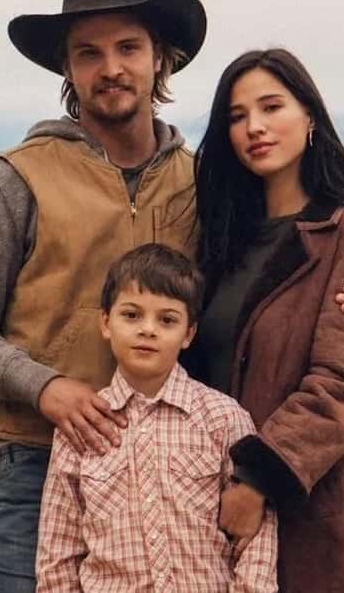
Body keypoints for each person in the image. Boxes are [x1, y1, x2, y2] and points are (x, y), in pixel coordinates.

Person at [0, 0, 344, 592]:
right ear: (67, 68)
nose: (111, 67)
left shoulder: (202, 189)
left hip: (184, 466)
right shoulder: (15, 180)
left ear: (160, 59)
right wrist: (46, 388)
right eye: (88, 53)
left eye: (128, 47)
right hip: (41, 463)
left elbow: (265, 290)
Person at [189, 47, 344, 591]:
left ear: (309, 119)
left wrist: (258, 479)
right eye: (236, 116)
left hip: (305, 507)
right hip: (206, 508)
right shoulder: (214, 239)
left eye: (271, 106)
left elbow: (341, 385)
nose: (254, 126)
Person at [36, 244, 278, 592]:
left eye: (167, 319)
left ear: (189, 334)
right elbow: (58, 552)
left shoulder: (224, 419)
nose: (148, 330)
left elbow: (258, 541)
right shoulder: (83, 425)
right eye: (132, 315)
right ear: (106, 322)